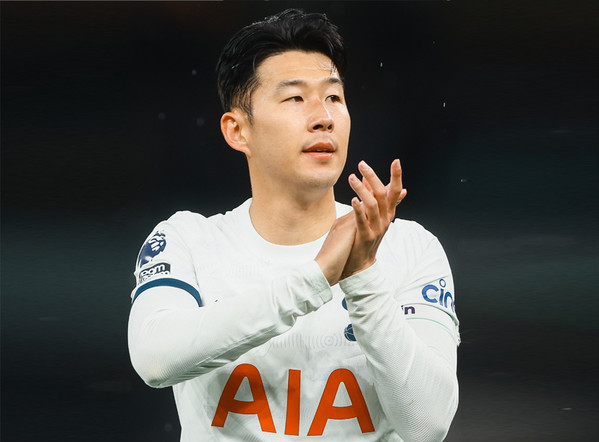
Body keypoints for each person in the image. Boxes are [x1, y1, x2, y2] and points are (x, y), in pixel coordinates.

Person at [128, 9, 459, 442]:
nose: (323, 117)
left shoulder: (410, 247)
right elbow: (155, 361)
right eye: (295, 99)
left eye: (334, 97)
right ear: (237, 130)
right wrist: (314, 279)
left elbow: (427, 425)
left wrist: (362, 276)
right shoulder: (187, 241)